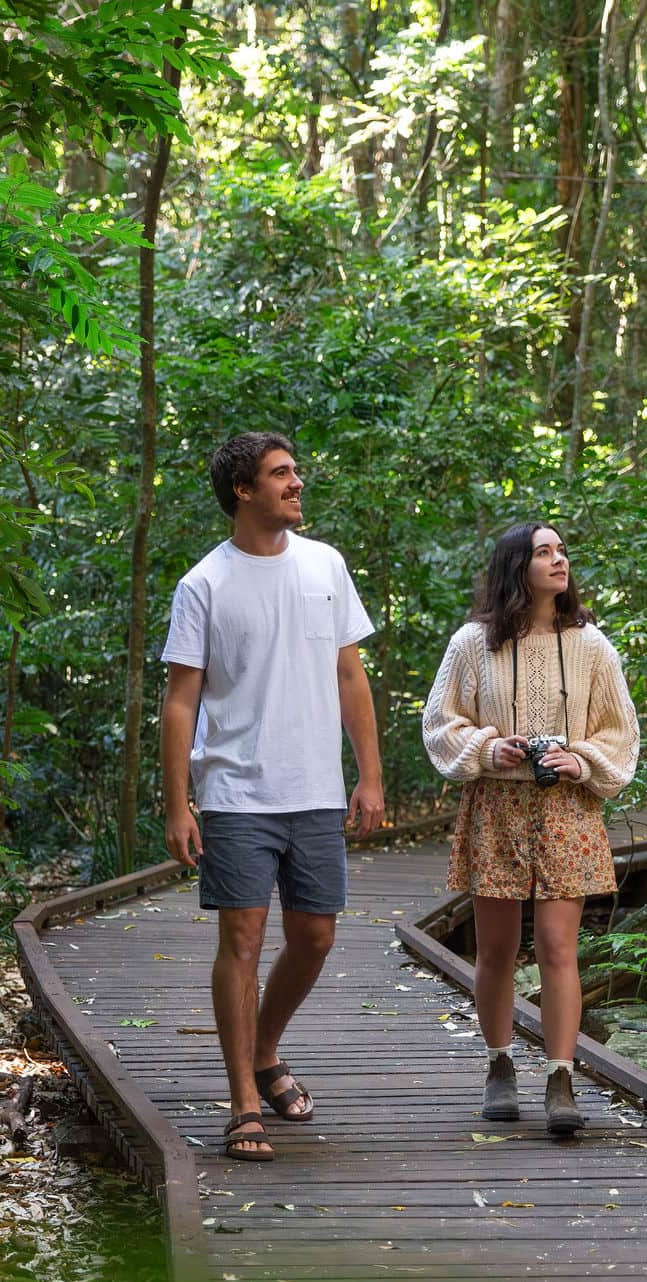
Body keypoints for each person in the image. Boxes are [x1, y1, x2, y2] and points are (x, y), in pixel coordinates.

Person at [160, 432, 385, 1162]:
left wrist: (371, 775)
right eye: (280, 474)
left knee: (316, 935)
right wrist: (177, 804)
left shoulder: (325, 565)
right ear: (243, 491)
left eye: (295, 469)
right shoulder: (205, 584)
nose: (296, 482)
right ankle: (244, 1100)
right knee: (244, 941)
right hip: (234, 791)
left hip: (314, 788)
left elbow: (350, 675)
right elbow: (179, 702)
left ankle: (266, 1045)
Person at [421, 522, 639, 1135]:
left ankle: (561, 1077)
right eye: (544, 552)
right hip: (496, 807)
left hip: (566, 809)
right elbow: (441, 722)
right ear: (517, 566)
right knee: (493, 949)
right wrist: (490, 749)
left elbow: (620, 729)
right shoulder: (472, 644)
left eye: (563, 550)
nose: (559, 560)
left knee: (556, 946)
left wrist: (583, 760)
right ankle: (498, 1065)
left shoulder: (592, 644)